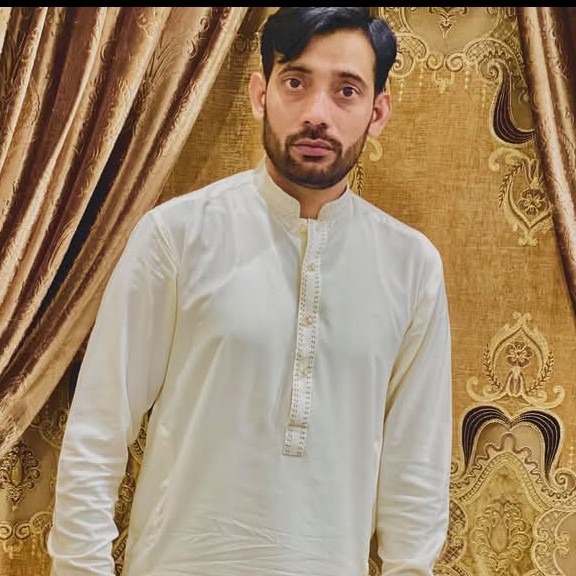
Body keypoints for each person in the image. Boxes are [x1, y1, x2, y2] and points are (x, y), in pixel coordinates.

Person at [48, 7, 452, 576]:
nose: (317, 114)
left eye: (346, 91)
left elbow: (417, 471)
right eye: (296, 82)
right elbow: (98, 428)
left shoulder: (411, 267)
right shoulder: (177, 236)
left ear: (377, 111)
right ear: (261, 94)